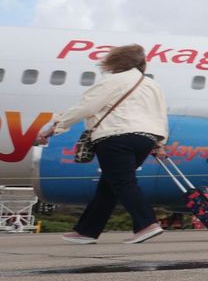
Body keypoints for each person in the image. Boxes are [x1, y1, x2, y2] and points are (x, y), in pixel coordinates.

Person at [37, 44, 170, 245]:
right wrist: (160, 143)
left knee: (123, 183)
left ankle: (146, 224)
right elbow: (161, 115)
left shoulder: (113, 81)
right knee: (109, 186)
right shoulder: (152, 85)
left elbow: (86, 107)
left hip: (116, 136)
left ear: (114, 62)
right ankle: (86, 231)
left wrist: (56, 126)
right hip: (145, 139)